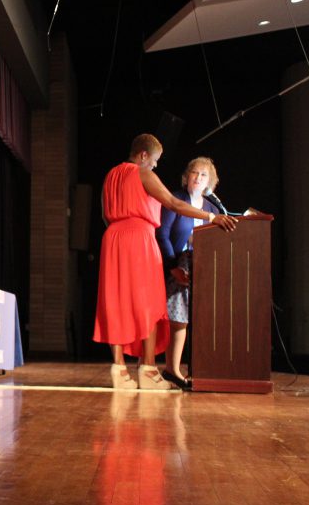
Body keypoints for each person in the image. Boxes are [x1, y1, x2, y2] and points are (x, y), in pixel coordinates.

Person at [94, 134, 236, 390]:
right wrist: (210, 217)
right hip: (139, 238)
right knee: (149, 302)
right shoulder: (142, 173)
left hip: (112, 238)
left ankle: (119, 370)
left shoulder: (110, 175)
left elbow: (105, 214)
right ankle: (148, 371)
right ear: (144, 155)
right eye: (155, 160)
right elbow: (172, 202)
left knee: (116, 301)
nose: (156, 166)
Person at [156, 157, 221, 389]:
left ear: (209, 182)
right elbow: (162, 234)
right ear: (186, 176)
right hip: (175, 266)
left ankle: (200, 369)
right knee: (178, 318)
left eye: (203, 175)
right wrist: (173, 266)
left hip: (203, 268)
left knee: (199, 319)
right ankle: (170, 368)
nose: (198, 178)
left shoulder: (213, 208)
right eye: (194, 173)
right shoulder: (176, 200)